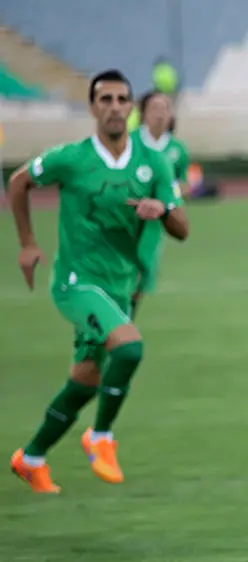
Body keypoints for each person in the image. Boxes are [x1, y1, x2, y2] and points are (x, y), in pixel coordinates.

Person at [8, 69, 189, 493]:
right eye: (104, 99)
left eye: (120, 99)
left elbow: (182, 227)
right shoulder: (71, 158)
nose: (113, 107)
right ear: (92, 107)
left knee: (85, 381)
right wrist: (28, 243)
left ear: (130, 109)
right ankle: (101, 437)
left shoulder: (155, 164)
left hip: (119, 286)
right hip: (76, 283)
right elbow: (19, 181)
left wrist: (160, 211)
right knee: (129, 346)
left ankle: (30, 458)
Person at [130, 90, 191, 319]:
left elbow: (183, 181)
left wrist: (177, 192)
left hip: (156, 221)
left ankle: (124, 320)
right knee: (126, 270)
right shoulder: (130, 143)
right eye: (155, 108)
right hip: (129, 216)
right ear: (143, 113)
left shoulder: (177, 149)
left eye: (165, 108)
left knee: (144, 269)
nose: (160, 114)